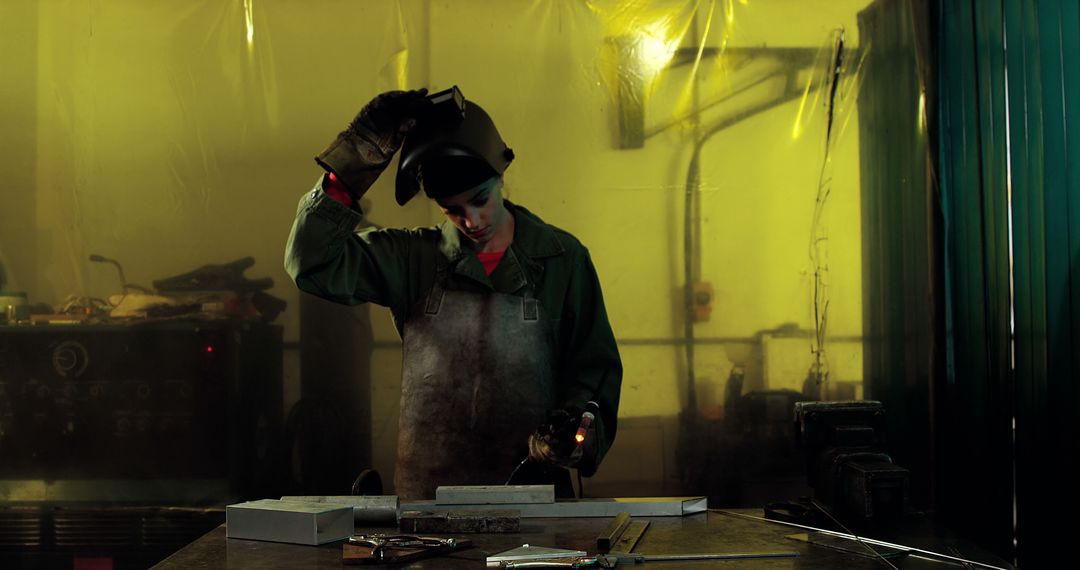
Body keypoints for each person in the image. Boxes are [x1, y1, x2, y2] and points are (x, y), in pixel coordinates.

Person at [284, 88, 622, 500]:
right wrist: (355, 163)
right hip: (424, 513)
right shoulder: (412, 259)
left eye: (481, 200)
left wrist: (577, 426)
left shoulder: (562, 261)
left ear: (502, 177)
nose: (472, 220)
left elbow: (593, 369)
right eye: (453, 210)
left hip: (537, 506)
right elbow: (310, 261)